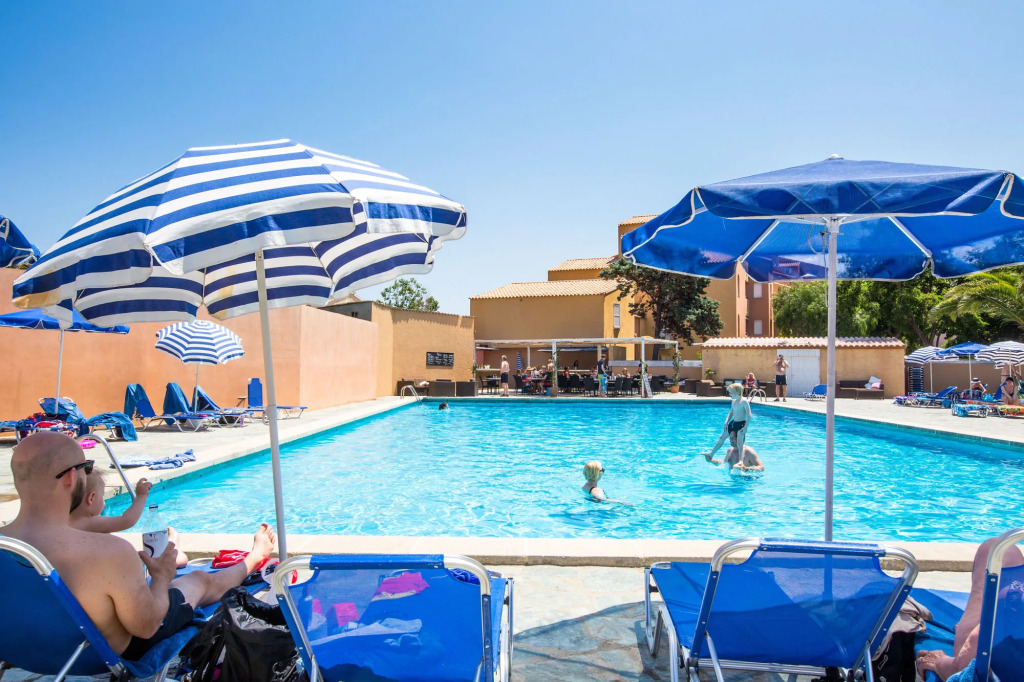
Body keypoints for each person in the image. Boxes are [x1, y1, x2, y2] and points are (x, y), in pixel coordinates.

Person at [2, 432, 277, 661]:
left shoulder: (6, 546)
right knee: (198, 580)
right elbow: (146, 627)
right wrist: (161, 577)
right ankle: (255, 557)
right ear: (70, 478)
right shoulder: (108, 552)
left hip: (22, 650)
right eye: (87, 467)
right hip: (99, 656)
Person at [917, 536, 1024, 680]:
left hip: (1000, 655)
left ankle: (971, 623)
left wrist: (937, 661)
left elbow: (961, 668)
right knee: (1003, 551)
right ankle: (973, 623)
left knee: (995, 549)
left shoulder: (1012, 601)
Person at [69, 471, 189, 567]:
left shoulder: (66, 522)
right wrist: (141, 496)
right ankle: (172, 543)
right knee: (180, 559)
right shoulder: (90, 523)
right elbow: (127, 520)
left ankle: (171, 543)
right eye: (103, 496)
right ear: (91, 498)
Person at [707, 383, 752, 459]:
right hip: (733, 423)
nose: (729, 394)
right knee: (722, 437)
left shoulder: (744, 401)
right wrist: (726, 422)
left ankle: (741, 461)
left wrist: (746, 427)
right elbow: (731, 412)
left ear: (737, 392)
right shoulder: (733, 401)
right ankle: (711, 454)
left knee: (739, 443)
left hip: (741, 424)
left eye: (731, 392)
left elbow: (749, 415)